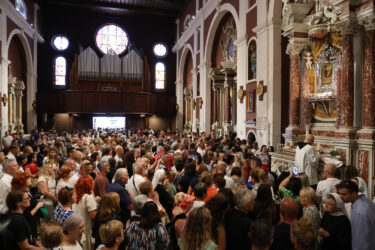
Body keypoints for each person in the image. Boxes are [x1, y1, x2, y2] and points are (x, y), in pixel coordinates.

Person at [337, 180, 375, 250]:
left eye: (344, 194)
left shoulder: (359, 212)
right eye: (340, 194)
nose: (340, 197)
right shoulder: (366, 200)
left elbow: (360, 241)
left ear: (354, 194)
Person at [11, 172, 44, 240]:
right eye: (28, 178)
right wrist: (38, 206)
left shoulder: (27, 189)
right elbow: (27, 215)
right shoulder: (21, 195)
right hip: (29, 221)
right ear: (22, 182)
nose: (31, 179)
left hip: (33, 218)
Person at [74, 176, 98, 250]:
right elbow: (94, 216)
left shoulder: (75, 195)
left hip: (75, 226)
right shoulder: (88, 197)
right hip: (85, 228)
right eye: (92, 183)